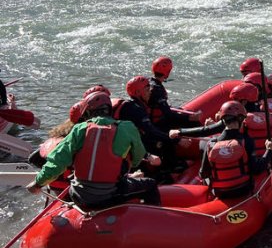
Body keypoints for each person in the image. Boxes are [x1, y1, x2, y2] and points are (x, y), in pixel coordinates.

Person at [26, 91, 161, 209]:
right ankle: (152, 224)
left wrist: (37, 183)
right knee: (150, 185)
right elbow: (137, 158)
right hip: (110, 195)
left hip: (78, 196)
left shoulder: (79, 129)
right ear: (109, 109)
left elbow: (57, 162)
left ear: (89, 112)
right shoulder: (127, 127)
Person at [170, 84, 272, 152]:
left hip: (243, 158)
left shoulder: (235, 117)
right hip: (261, 157)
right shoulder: (271, 117)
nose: (232, 102)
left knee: (207, 142)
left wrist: (180, 132)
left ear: (243, 102)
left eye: (235, 100)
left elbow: (206, 131)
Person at [199, 101, 272, 199]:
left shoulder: (210, 144)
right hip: (243, 189)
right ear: (241, 119)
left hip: (219, 193)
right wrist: (269, 150)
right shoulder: (247, 141)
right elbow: (257, 170)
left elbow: (203, 173)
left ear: (223, 120)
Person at [120, 76, 190, 175]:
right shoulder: (136, 110)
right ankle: (169, 168)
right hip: (130, 148)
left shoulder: (135, 105)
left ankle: (169, 166)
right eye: (147, 89)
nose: (150, 92)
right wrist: (177, 140)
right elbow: (151, 131)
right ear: (137, 93)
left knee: (162, 134)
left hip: (134, 141)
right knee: (162, 140)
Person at [149, 56, 201, 130]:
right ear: (167, 72)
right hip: (158, 123)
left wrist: (182, 111)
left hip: (152, 119)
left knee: (184, 112)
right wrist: (189, 117)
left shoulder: (149, 81)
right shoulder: (157, 89)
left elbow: (162, 107)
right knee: (194, 123)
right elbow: (168, 114)